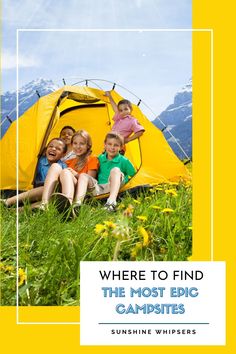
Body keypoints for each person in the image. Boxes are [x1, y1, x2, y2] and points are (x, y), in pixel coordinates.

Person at [71, 131, 136, 213]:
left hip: (115, 187)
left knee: (115, 170)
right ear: (105, 145)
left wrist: (124, 184)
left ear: (121, 147)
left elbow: (134, 176)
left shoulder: (124, 161)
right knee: (83, 175)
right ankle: (77, 204)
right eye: (109, 144)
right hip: (99, 188)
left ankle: (111, 203)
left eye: (116, 145)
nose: (112, 147)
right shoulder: (99, 158)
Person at [40, 130, 99, 211]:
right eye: (75, 143)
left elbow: (90, 180)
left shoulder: (92, 159)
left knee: (65, 171)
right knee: (55, 166)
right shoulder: (68, 162)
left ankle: (68, 202)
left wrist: (76, 174)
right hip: (67, 187)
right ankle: (44, 204)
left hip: (83, 192)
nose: (78, 146)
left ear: (88, 146)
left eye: (82, 144)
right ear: (71, 145)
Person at [1, 138, 67, 207]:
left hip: (51, 191)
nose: (53, 149)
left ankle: (18, 210)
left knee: (49, 191)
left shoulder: (63, 166)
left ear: (63, 154)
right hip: (35, 189)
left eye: (58, 149)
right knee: (44, 189)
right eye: (50, 146)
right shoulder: (39, 161)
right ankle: (8, 202)